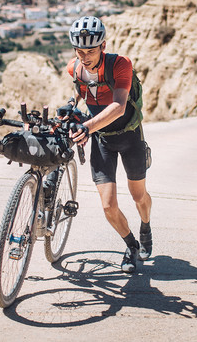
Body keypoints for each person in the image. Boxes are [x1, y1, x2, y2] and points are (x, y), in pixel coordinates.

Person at [65, 15, 152, 273]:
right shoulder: (75, 68)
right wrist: (71, 106)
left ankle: (145, 226)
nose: (84, 56)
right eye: (79, 51)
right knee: (107, 205)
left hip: (129, 136)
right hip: (103, 141)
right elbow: (83, 91)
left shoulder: (120, 65)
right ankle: (131, 245)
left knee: (138, 196)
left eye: (90, 50)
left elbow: (119, 105)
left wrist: (87, 127)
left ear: (103, 46)